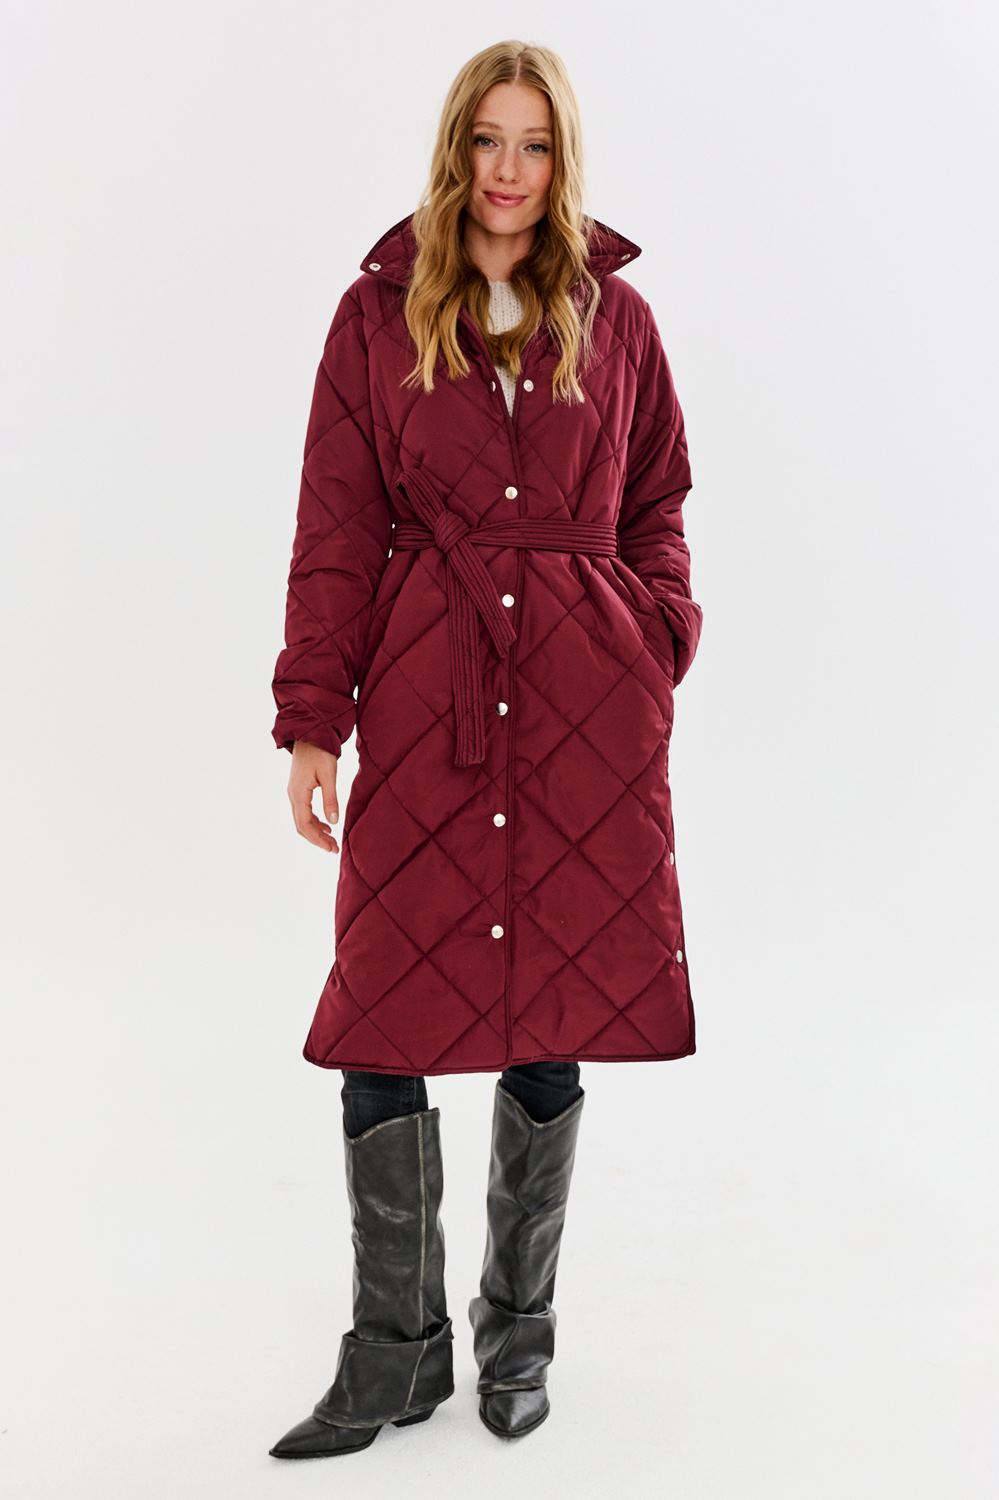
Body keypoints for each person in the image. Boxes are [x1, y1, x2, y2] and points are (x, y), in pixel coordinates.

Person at [267, 38, 702, 1460]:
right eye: (487, 140)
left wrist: (654, 634)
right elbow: (338, 528)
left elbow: (659, 500)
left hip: (585, 704)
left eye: (535, 144)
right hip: (426, 698)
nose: (508, 170)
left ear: (561, 160)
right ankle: (395, 1351)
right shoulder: (377, 315)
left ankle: (520, 1335)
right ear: (455, 149)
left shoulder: (616, 320)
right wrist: (313, 720)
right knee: (382, 1008)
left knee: (553, 1003)